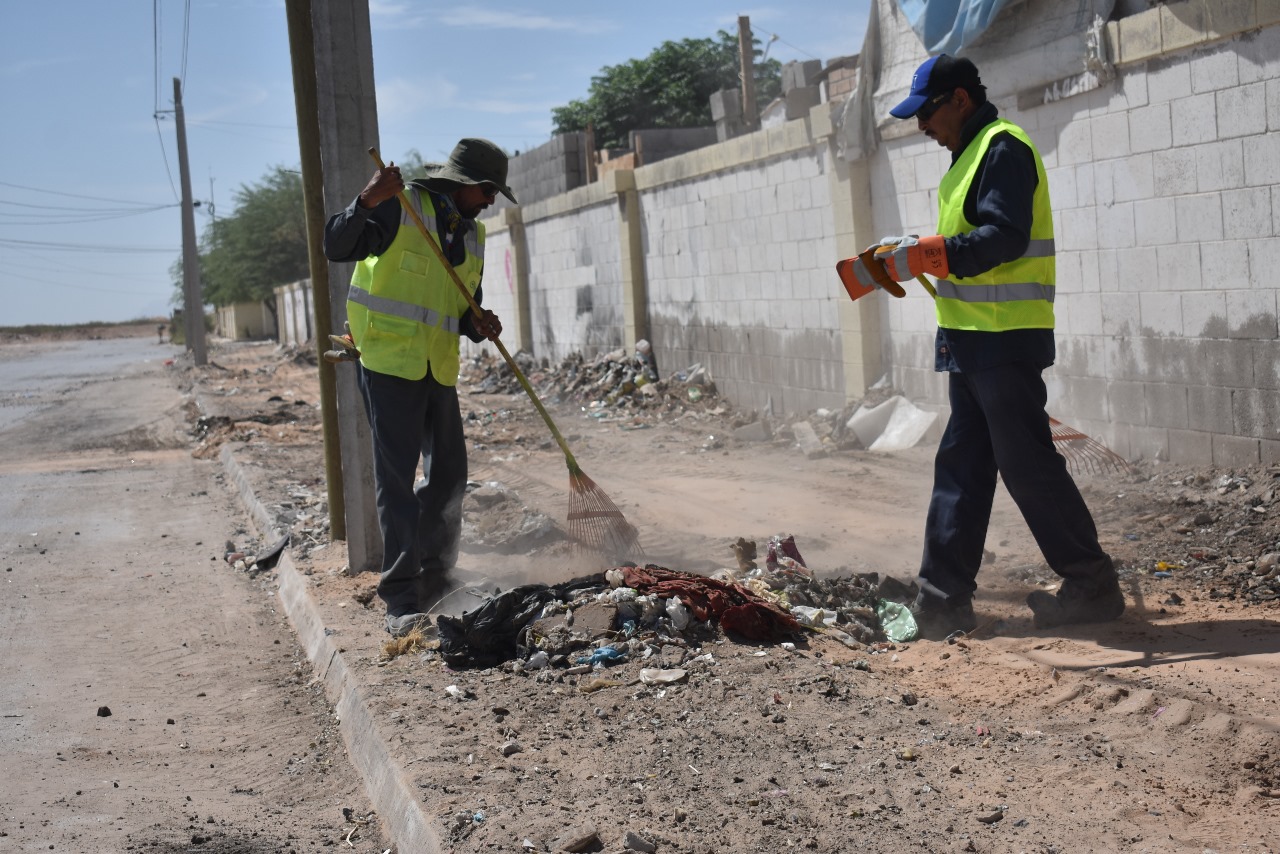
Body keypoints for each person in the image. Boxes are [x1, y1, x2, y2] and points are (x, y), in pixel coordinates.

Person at [856, 55, 1124, 639]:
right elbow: (964, 242)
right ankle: (943, 599)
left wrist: (929, 254)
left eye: (927, 112)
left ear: (960, 99)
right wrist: (917, 252)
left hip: (1003, 338)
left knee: (1024, 464)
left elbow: (1005, 237)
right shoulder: (967, 156)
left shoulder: (1002, 148)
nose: (922, 125)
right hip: (973, 339)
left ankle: (1092, 585)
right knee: (964, 466)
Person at [323, 138, 515, 637]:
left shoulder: (473, 233)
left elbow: (461, 304)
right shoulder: (399, 205)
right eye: (488, 191)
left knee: (449, 477)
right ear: (464, 183)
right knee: (398, 485)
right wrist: (366, 200)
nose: (491, 201)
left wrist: (479, 323)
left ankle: (436, 577)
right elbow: (336, 246)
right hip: (389, 363)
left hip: (437, 367)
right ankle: (400, 599)